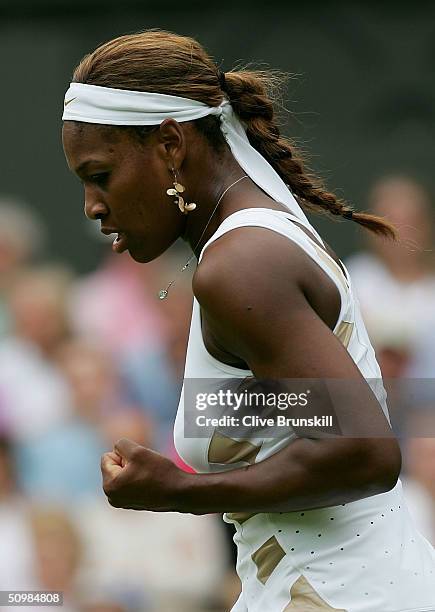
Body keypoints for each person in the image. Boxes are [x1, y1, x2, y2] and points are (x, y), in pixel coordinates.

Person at [61, 30, 435, 612]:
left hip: (337, 594)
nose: (91, 206)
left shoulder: (239, 267)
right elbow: (304, 415)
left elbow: (367, 452)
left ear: (169, 144)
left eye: (101, 175)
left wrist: (180, 492)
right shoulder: (250, 232)